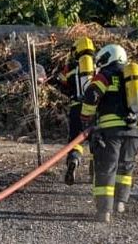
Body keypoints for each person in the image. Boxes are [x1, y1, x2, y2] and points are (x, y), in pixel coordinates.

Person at [80, 44, 138, 223]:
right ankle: (120, 203)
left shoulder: (104, 76)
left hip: (111, 130)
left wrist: (86, 118)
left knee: (106, 168)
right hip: (135, 130)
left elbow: (92, 95)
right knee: (126, 167)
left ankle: (104, 212)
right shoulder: (133, 77)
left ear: (108, 57)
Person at [55, 37, 96, 185]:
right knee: (96, 139)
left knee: (75, 138)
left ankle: (74, 159)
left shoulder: (71, 67)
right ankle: (94, 172)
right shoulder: (98, 66)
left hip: (76, 107)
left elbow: (62, 82)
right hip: (94, 108)